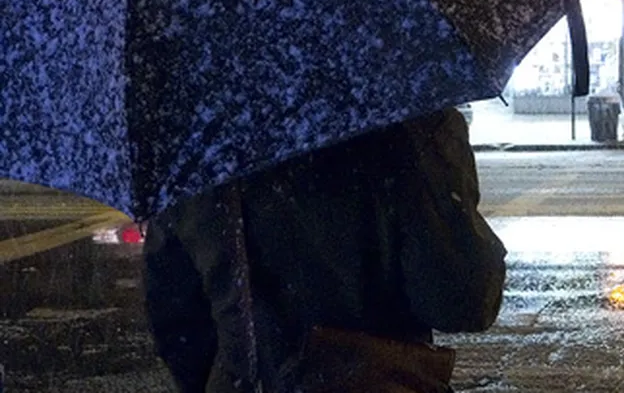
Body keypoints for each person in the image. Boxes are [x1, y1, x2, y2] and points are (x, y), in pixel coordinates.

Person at [143, 107, 506, 392]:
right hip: (373, 382)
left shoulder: (196, 140)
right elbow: (459, 300)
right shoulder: (406, 124)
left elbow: (177, 322)